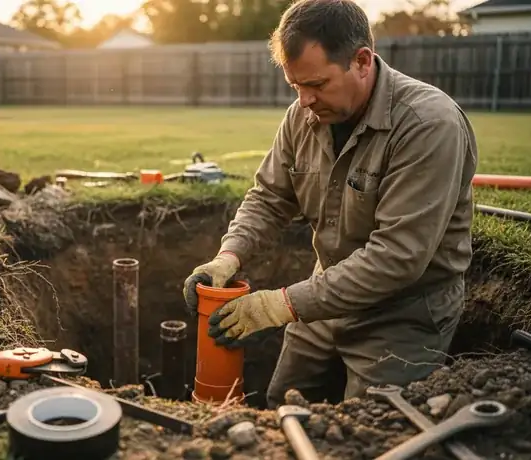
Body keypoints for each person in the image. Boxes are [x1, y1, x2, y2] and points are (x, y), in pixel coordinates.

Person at [182, 0, 478, 408]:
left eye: (317, 84)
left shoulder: (427, 124)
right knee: (283, 404)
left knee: (368, 422)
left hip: (404, 312)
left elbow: (397, 257)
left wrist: (279, 306)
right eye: (296, 87)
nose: (304, 100)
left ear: (362, 61)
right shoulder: (302, 116)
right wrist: (228, 257)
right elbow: (269, 198)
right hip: (326, 294)